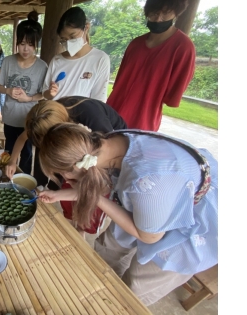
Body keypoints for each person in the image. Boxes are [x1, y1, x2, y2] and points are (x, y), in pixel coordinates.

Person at [37, 123, 218, 306]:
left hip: (191, 223)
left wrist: (97, 199)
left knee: (136, 286)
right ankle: (100, 291)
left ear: (77, 166)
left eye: (64, 175)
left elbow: (149, 236)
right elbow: (106, 182)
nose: (67, 181)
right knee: (107, 249)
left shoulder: (148, 180)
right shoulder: (107, 144)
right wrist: (60, 195)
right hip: (150, 199)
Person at [4, 96, 127, 233]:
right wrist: (12, 161)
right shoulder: (43, 117)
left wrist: (87, 191)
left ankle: (82, 228)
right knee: (70, 188)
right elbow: (22, 137)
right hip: (76, 151)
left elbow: (100, 180)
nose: (67, 178)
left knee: (88, 198)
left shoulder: (92, 119)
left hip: (107, 158)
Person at [106, 0, 195, 131]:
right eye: (153, 13)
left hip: (143, 119)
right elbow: (119, 82)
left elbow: (173, 95)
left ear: (176, 13)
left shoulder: (183, 47)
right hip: (112, 112)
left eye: (165, 13)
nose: (158, 19)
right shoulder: (135, 44)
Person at [0, 11, 48, 174]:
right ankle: (8, 179)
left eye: (31, 44)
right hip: (10, 117)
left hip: (29, 119)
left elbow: (44, 94)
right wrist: (8, 90)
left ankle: (23, 181)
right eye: (22, 43)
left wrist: (29, 98)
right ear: (17, 42)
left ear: (36, 45)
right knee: (9, 152)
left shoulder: (42, 67)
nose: (26, 49)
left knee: (26, 154)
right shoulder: (8, 61)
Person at [42, 6, 110, 102]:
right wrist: (50, 93)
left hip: (82, 116)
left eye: (72, 36)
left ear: (86, 27)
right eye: (64, 39)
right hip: (56, 115)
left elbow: (99, 100)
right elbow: (45, 93)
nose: (68, 42)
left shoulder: (100, 59)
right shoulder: (57, 60)